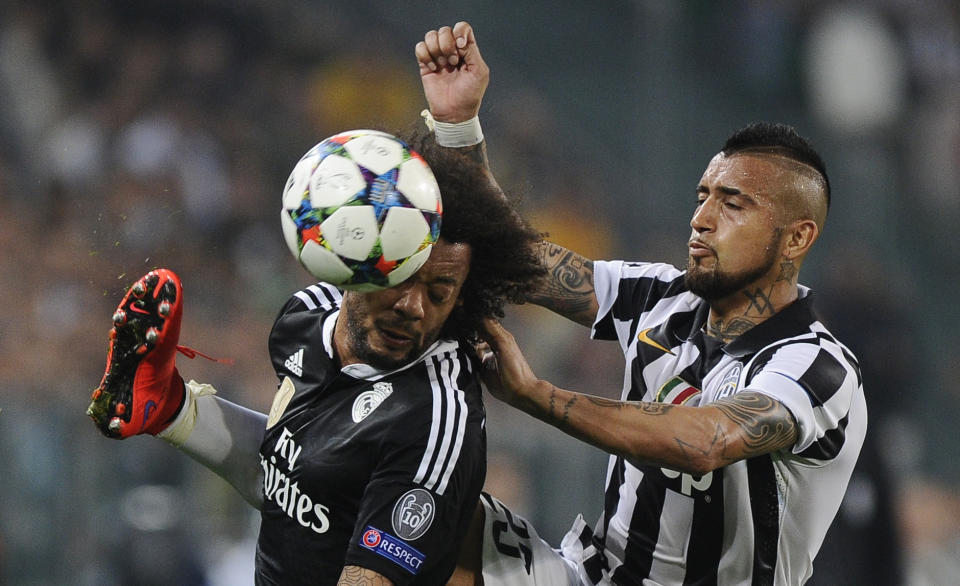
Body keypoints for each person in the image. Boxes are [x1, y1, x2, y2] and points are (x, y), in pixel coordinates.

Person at [416, 22, 867, 585]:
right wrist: (459, 125)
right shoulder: (659, 295)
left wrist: (536, 396)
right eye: (702, 196)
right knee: (424, 508)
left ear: (797, 238)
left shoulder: (817, 368)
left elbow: (707, 440)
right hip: (592, 574)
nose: (701, 219)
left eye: (733, 205)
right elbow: (515, 258)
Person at [86, 132, 546, 585]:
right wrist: (177, 410)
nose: (413, 305)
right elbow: (295, 486)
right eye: (401, 273)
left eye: (439, 293)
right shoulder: (303, 320)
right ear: (356, 258)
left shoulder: (432, 414)